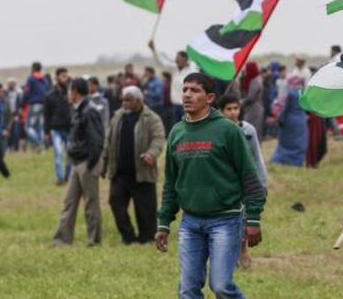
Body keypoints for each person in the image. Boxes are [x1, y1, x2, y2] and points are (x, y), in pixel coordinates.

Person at [155, 73, 266, 299]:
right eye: (185, 89)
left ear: (210, 97)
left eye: (194, 90)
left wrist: (253, 218)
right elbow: (170, 184)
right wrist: (164, 222)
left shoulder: (228, 130)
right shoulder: (177, 132)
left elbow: (249, 177)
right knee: (187, 290)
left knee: (221, 286)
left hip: (225, 220)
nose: (187, 94)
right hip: (190, 222)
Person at [102, 86, 166, 245]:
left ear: (138, 101)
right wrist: (104, 162)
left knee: (146, 209)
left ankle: (147, 237)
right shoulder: (118, 116)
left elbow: (158, 139)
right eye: (123, 99)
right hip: (120, 173)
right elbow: (108, 141)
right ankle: (128, 237)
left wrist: (151, 154)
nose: (124, 103)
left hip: (142, 172)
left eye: (128, 100)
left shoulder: (152, 118)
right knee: (116, 203)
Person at [217, 94, 268, 270]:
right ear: (220, 111)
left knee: (244, 217)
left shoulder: (248, 130)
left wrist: (262, 182)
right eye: (228, 109)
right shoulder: (216, 131)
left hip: (246, 182)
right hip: (224, 183)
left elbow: (256, 156)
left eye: (235, 108)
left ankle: (243, 251)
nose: (233, 112)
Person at [52, 78, 105, 246]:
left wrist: (90, 163)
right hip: (76, 163)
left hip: (86, 163)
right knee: (69, 202)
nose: (68, 94)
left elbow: (97, 140)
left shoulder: (89, 111)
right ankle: (62, 240)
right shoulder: (78, 110)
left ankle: (94, 240)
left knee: (91, 204)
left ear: (75, 91)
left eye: (69, 90)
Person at [150, 42, 199, 126]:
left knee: (187, 127)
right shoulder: (174, 69)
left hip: (187, 106)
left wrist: (190, 64)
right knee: (176, 127)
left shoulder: (192, 69)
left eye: (178, 58)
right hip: (175, 106)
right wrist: (153, 49)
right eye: (176, 58)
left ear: (185, 59)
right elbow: (161, 62)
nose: (176, 60)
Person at [44, 68, 74, 185]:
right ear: (56, 78)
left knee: (70, 154)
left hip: (70, 128)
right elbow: (46, 115)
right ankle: (60, 178)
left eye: (66, 76)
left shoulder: (71, 94)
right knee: (58, 154)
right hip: (55, 129)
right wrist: (46, 132)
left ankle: (67, 176)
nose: (65, 78)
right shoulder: (49, 96)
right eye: (62, 76)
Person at [271, 76, 309, 167]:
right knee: (299, 143)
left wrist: (280, 119)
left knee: (286, 143)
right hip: (301, 121)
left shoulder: (290, 93)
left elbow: (285, 109)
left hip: (290, 121)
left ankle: (283, 160)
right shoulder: (303, 93)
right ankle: (298, 162)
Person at [22, 62, 51, 152]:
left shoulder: (31, 78)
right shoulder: (45, 79)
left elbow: (26, 92)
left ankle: (39, 143)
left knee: (28, 127)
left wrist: (22, 103)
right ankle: (42, 149)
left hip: (34, 104)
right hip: (44, 105)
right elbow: (48, 90)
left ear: (33, 68)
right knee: (40, 127)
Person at [239, 62, 265, 136]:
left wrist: (241, 102)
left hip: (254, 109)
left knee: (252, 131)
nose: (245, 71)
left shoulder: (255, 81)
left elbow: (251, 97)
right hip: (252, 108)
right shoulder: (252, 80)